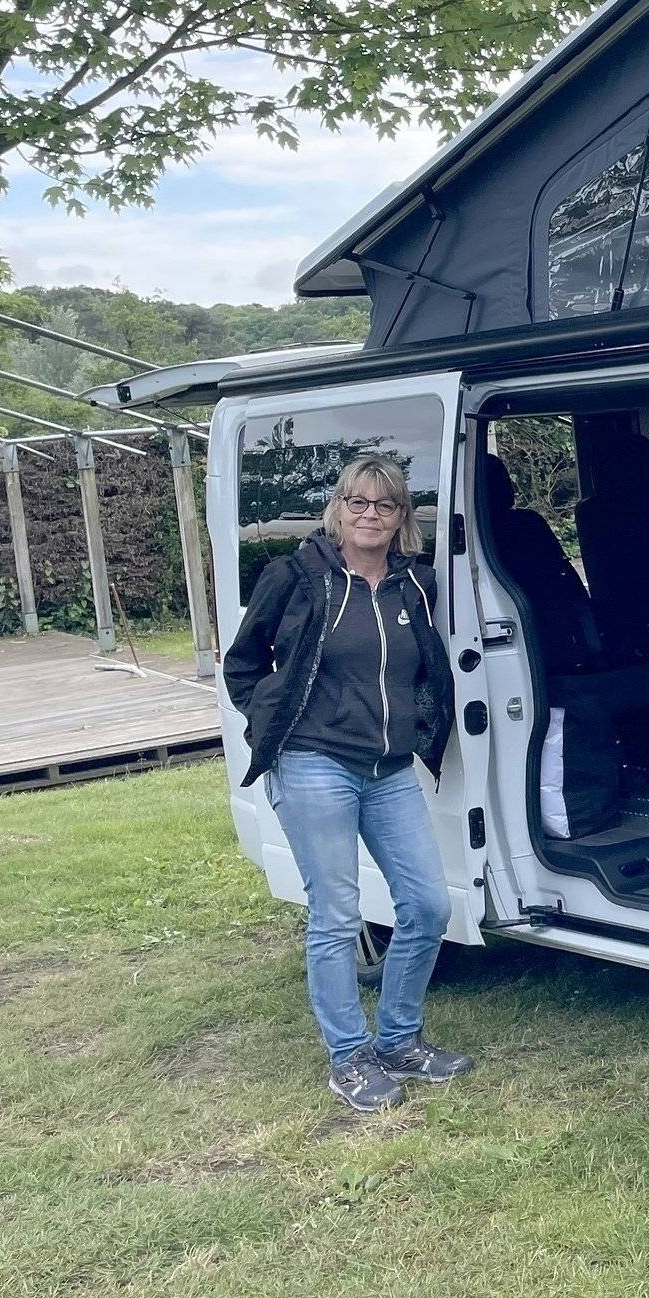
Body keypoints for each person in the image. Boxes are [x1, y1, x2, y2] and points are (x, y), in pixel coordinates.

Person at [222, 453, 472, 1113]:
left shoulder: (415, 585)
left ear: (401, 518)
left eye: (385, 505)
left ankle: (399, 1041)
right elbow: (243, 663)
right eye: (358, 502)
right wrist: (272, 724)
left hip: (388, 768)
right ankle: (349, 1057)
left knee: (428, 906)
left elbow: (423, 670)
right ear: (339, 507)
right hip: (315, 764)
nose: (370, 514)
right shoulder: (300, 577)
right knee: (336, 915)